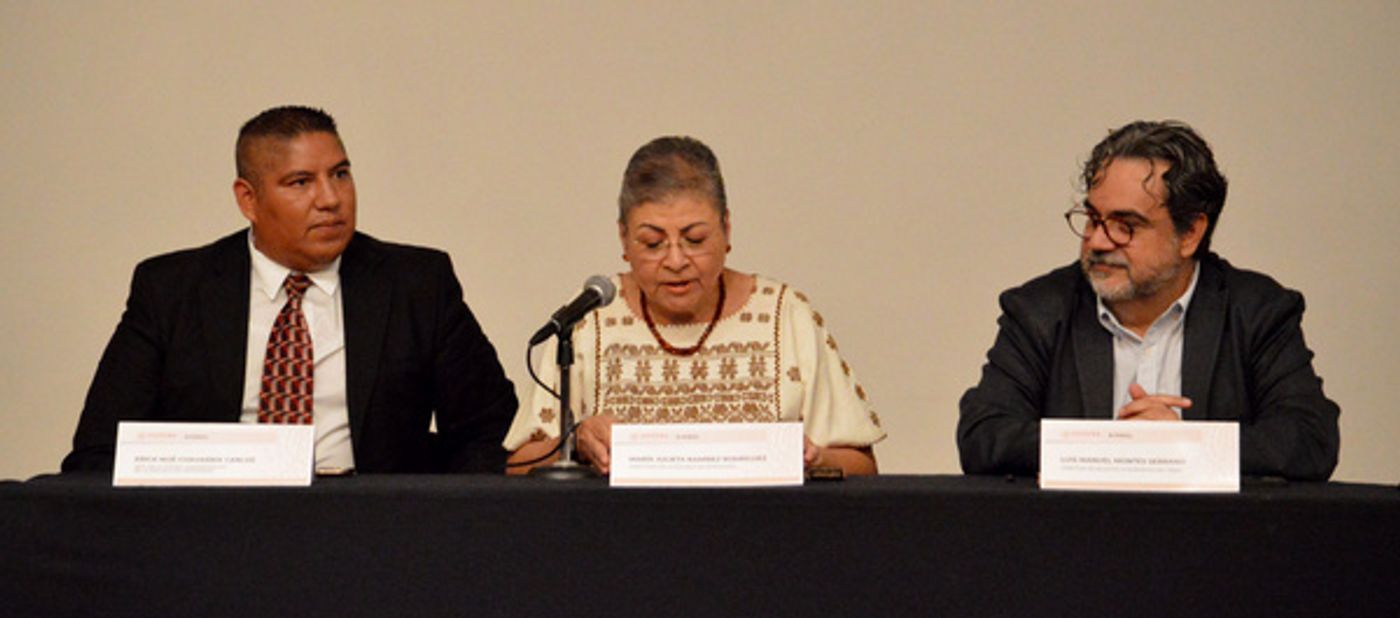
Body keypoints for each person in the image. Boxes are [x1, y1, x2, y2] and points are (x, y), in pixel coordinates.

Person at [62, 106, 517, 474]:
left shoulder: (417, 284)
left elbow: (489, 434)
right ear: (249, 199)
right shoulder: (172, 290)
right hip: (213, 529)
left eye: (340, 174)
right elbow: (100, 452)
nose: (331, 199)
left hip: (370, 529)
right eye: (301, 182)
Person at [958, 120, 1340, 481]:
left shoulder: (1256, 311)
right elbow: (983, 434)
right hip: (1077, 528)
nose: (1098, 241)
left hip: (1212, 529)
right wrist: (1117, 448)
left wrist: (1185, 446)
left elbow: (1310, 438)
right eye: (1093, 218)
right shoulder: (1040, 310)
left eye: (1125, 225)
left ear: (1190, 234)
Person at [504, 136, 885, 475]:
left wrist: (814, 458)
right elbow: (518, 466)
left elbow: (863, 467)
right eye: (652, 243)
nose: (675, 261)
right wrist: (577, 444)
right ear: (623, 239)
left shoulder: (786, 315)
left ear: (726, 230)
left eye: (695, 239)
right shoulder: (590, 319)